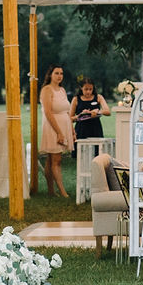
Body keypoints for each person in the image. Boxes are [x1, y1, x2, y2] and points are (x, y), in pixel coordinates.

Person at [38, 64, 72, 198]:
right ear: (50, 74)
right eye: (56, 73)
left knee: (51, 159)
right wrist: (58, 132)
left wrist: (71, 130)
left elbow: (67, 110)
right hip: (53, 127)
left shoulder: (62, 90)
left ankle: (51, 191)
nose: (59, 76)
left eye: (61, 73)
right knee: (56, 159)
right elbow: (48, 112)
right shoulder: (47, 90)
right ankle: (63, 191)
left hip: (63, 125)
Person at [71, 77, 110, 148]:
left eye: (90, 89)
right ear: (81, 88)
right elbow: (70, 119)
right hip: (81, 129)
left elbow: (108, 112)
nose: (88, 91)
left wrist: (98, 111)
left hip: (95, 129)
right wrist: (80, 115)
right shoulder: (76, 99)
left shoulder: (98, 97)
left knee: (97, 152)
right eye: (86, 89)